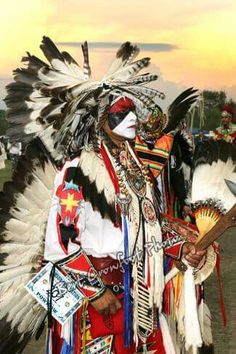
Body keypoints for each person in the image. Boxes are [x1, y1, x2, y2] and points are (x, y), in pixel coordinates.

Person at [1, 37, 206, 354]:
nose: (133, 119)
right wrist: (94, 291)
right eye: (121, 113)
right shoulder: (76, 171)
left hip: (137, 295)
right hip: (95, 302)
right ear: (99, 121)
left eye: (133, 111)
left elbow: (147, 226)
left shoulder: (134, 170)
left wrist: (183, 245)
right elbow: (61, 239)